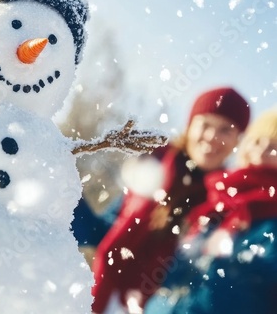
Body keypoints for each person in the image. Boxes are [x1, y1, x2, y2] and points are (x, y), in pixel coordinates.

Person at [91, 87, 250, 314]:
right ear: (190, 126)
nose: (212, 137)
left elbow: (204, 273)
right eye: (205, 125)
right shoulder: (152, 165)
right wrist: (77, 214)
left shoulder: (226, 201)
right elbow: (106, 231)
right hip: (100, 293)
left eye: (225, 130)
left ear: (237, 140)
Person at [144, 107, 277, 314]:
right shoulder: (213, 203)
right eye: (257, 141)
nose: (261, 150)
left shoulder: (271, 218)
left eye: (274, 146)